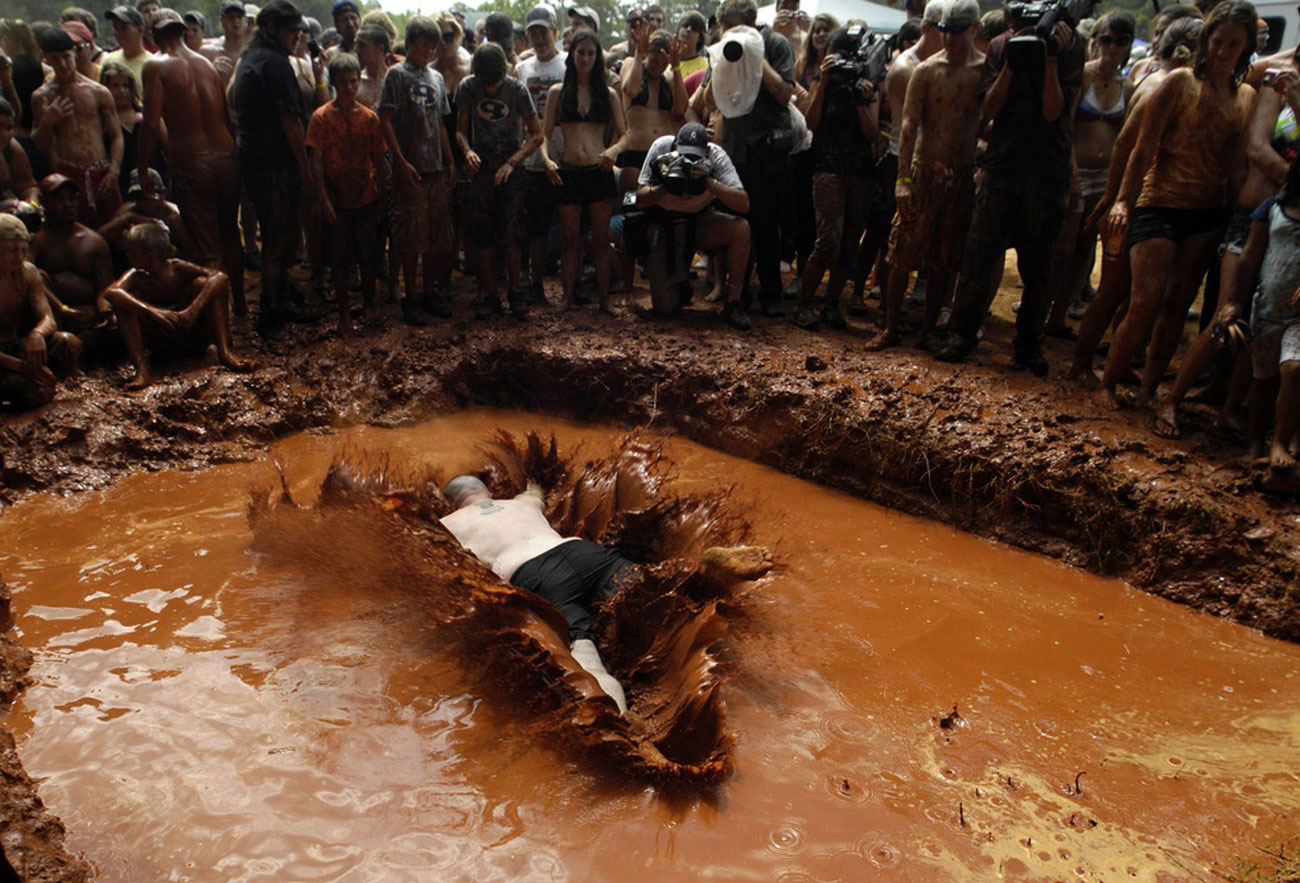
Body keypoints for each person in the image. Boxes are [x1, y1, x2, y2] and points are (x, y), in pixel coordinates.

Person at [1093, 2, 1256, 411]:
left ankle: (1150, 390)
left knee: (1178, 303)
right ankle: (1107, 384)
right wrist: (1123, 201)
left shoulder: (1246, 96)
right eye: (1217, 42)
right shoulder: (1179, 83)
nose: (1222, 52)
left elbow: (1237, 165)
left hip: (1207, 209)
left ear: (1245, 47)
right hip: (1158, 202)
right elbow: (1142, 145)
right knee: (1144, 300)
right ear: (1206, 42)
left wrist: (1238, 216)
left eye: (1232, 45)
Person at [934, 0, 1086, 375]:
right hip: (1002, 166)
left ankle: (1028, 346)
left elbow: (1054, 111)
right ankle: (962, 335)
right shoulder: (1002, 45)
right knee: (979, 255)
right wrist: (1014, 62)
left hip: (1047, 170)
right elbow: (991, 110)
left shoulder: (1070, 45)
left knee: (1038, 265)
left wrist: (1050, 57)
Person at [1069, 16, 1204, 387]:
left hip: (1154, 201)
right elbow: (1126, 146)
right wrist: (1115, 199)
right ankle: (1081, 362)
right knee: (1113, 289)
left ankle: (1119, 359)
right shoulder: (1158, 86)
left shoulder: (1182, 86)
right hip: (1137, 201)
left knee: (1132, 294)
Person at [870, 2, 986, 350]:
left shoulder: (983, 72)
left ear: (974, 29)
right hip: (924, 170)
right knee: (901, 252)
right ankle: (890, 327)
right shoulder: (926, 71)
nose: (950, 38)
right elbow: (908, 127)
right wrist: (902, 181)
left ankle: (925, 332)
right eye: (946, 30)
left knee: (944, 259)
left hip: (961, 173)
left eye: (958, 31)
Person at [138, 9, 244, 316]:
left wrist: (144, 167)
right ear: (183, 31)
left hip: (193, 162)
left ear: (154, 36)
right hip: (226, 158)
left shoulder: (155, 66)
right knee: (230, 235)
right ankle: (239, 307)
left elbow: (149, 124)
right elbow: (225, 118)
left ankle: (220, 318)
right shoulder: (207, 65)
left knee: (207, 244)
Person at [1044, 10, 1136, 339]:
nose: (1112, 47)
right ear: (1095, 41)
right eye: (1106, 39)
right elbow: (1066, 125)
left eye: (1120, 41)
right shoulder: (1083, 76)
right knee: (1062, 246)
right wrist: (1071, 174)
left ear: (1127, 44)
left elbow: (1126, 138)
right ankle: (1041, 310)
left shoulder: (1128, 86)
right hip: (1076, 169)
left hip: (1106, 175)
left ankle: (1057, 316)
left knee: (1085, 250)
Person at [852, 0, 943, 317]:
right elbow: (914, 127)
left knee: (921, 238)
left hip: (928, 165)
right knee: (881, 231)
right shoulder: (907, 67)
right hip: (899, 161)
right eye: (945, 30)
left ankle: (892, 306)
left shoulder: (943, 61)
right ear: (929, 28)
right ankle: (861, 295)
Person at [792, 25, 884, 333]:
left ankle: (831, 305)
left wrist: (860, 98)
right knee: (827, 240)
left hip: (861, 171)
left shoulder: (867, 84)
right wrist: (821, 79)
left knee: (849, 243)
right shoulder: (824, 82)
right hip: (828, 167)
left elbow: (871, 133)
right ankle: (804, 305)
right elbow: (811, 123)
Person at [709, 0, 796, 320]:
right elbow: (708, 99)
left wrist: (755, 56)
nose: (728, 34)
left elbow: (785, 93)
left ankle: (772, 295)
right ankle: (738, 293)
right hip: (735, 149)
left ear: (749, 25)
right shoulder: (724, 47)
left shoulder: (774, 44)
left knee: (766, 224)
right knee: (738, 223)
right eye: (724, 30)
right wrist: (722, 59)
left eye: (732, 28)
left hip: (767, 149)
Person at [232, 0, 312, 335]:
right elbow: (291, 121)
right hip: (275, 164)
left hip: (257, 159)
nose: (297, 35)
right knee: (279, 237)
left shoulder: (251, 59)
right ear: (272, 29)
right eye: (291, 29)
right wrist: (305, 169)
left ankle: (278, 298)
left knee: (279, 235)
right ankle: (271, 310)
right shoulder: (274, 63)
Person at [539, 29, 627, 313]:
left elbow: (625, 134)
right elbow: (542, 134)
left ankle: (604, 301)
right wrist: (546, 160)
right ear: (572, 56)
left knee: (601, 240)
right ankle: (566, 299)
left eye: (590, 53)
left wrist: (613, 151)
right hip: (569, 170)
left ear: (597, 57)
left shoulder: (609, 93)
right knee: (570, 239)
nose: (585, 58)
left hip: (598, 170)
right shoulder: (557, 92)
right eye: (580, 52)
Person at [101, 221, 250, 389]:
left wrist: (192, 310)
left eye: (132, 252)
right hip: (163, 344)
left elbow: (219, 277)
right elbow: (111, 292)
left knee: (204, 284)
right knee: (123, 303)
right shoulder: (136, 276)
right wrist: (153, 311)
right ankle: (142, 369)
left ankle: (224, 352)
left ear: (149, 255)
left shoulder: (177, 267)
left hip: (192, 334)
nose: (127, 256)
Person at [456, 42, 542, 319]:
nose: (490, 89)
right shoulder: (468, 87)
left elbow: (536, 134)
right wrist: (467, 150)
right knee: (483, 232)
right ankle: (490, 293)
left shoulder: (517, 89)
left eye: (494, 83)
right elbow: (460, 131)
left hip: (510, 166)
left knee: (512, 231)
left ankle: (516, 293)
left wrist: (512, 162)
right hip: (481, 166)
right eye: (486, 83)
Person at [380, 14, 456, 326]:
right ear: (410, 44)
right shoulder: (396, 76)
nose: (429, 53)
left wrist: (450, 160)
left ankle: (428, 293)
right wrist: (400, 161)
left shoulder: (436, 78)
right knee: (410, 237)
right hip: (409, 167)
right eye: (424, 46)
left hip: (434, 167)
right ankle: (409, 297)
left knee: (435, 235)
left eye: (433, 48)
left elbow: (439, 123)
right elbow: (385, 120)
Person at [635, 121, 752, 321]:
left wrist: (708, 182)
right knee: (664, 307)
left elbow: (743, 204)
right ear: (674, 148)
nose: (688, 162)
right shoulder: (661, 148)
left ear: (706, 151)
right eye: (683, 156)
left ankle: (733, 302)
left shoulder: (716, 155)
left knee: (740, 229)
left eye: (694, 157)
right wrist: (666, 183)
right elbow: (640, 199)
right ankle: (678, 285)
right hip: (665, 225)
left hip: (700, 221)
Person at [307, 52, 387, 333]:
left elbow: (379, 161)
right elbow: (315, 162)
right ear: (334, 83)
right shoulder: (321, 118)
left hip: (365, 196)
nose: (350, 88)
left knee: (368, 257)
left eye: (354, 81)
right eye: (343, 82)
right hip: (336, 200)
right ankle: (343, 315)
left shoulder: (369, 118)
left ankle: (368, 307)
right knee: (339, 261)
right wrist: (324, 199)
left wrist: (382, 198)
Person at [31, 27, 124, 229]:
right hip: (66, 177)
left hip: (101, 172)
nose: (63, 64)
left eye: (66, 56)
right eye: (55, 59)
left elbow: (117, 135)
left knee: (114, 234)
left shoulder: (98, 91)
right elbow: (39, 143)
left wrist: (114, 171)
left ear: (74, 53)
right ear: (46, 59)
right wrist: (48, 121)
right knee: (73, 237)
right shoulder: (42, 97)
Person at [1240, 159, 1300, 468]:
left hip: (1298, 318)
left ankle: (1279, 442)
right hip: (1266, 308)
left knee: (1293, 370)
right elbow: (1249, 256)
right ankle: (1253, 444)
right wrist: (1232, 302)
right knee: (1262, 382)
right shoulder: (1271, 210)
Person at [0, 213, 81, 408]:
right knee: (38, 393)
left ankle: (70, 380)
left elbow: (48, 318)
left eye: (23, 250)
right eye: (12, 250)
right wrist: (22, 368)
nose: (19, 257)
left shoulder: (28, 272)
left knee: (68, 342)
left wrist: (37, 334)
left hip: (13, 343)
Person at [515, 5, 566, 305]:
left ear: (554, 32)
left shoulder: (569, 65)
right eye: (532, 32)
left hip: (564, 152)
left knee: (572, 224)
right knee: (536, 227)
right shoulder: (523, 69)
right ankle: (535, 285)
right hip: (533, 158)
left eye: (542, 31)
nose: (538, 37)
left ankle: (574, 285)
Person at [30, 173, 113, 331]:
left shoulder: (95, 241)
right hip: (53, 316)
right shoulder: (37, 242)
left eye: (72, 198)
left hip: (90, 314)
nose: (68, 204)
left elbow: (105, 288)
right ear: (44, 202)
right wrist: (63, 309)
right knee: (35, 274)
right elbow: (29, 280)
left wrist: (104, 311)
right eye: (59, 199)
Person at [99, 167, 195, 267]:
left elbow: (192, 255)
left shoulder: (175, 217)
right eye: (137, 196)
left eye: (146, 195)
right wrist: (128, 218)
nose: (141, 201)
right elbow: (99, 239)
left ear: (161, 193)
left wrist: (164, 249)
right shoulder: (128, 211)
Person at [102, 5, 153, 89]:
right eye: (115, 27)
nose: (118, 33)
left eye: (123, 28)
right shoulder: (108, 61)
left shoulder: (151, 64)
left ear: (140, 30)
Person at [199, 0, 248, 86]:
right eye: (231, 17)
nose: (236, 21)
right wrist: (211, 72)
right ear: (221, 20)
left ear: (245, 21)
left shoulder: (254, 52)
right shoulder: (208, 53)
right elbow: (198, 86)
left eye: (239, 17)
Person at [0, 99, 38, 204]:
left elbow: (28, 186)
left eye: (9, 128)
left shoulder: (12, 147)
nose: (5, 135)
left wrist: (31, 205)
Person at [354, 25, 390, 109]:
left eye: (362, 45)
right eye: (355, 44)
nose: (356, 49)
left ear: (380, 49)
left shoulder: (395, 81)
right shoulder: (355, 81)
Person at [675, 12, 709, 79]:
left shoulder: (706, 66)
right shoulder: (665, 64)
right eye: (685, 25)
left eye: (694, 28)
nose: (689, 29)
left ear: (700, 38)